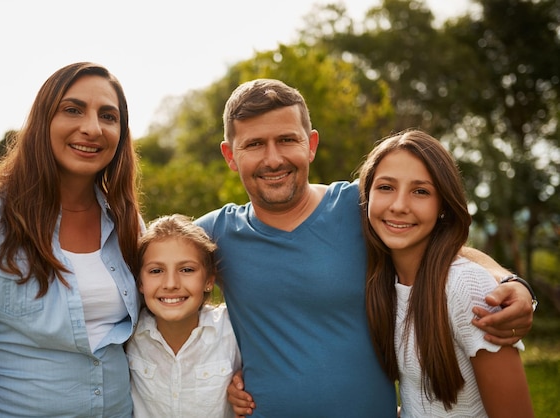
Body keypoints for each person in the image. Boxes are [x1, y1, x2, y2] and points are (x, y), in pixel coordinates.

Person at [195, 78, 537, 417]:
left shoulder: (366, 204)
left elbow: (443, 245)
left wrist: (510, 283)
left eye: (287, 140)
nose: (273, 159)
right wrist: (221, 372)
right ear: (230, 155)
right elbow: (154, 280)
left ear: (311, 144)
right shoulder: (214, 235)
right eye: (254, 144)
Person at [0, 62, 142, 417]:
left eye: (108, 116)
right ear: (42, 120)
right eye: (72, 109)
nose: (92, 128)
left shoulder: (127, 222)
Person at [358, 129, 534, 417]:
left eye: (421, 191)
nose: (399, 206)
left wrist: (518, 284)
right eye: (386, 187)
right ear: (366, 196)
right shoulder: (384, 281)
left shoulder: (465, 286)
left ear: (442, 206)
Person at [126, 214, 241, 418]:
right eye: (156, 271)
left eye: (186, 269)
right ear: (140, 283)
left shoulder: (232, 331)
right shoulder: (128, 334)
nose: (171, 284)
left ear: (208, 280)